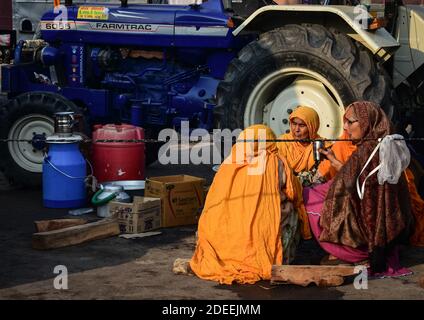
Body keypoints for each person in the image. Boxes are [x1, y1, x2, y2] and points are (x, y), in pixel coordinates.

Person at [189, 125, 311, 285]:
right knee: (293, 210)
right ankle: (280, 255)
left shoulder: (230, 160)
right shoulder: (275, 161)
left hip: (220, 231)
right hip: (260, 235)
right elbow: (294, 193)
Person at [303, 101, 414, 276]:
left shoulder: (366, 150)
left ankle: (355, 253)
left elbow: (350, 182)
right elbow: (357, 178)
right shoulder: (385, 145)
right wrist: (334, 161)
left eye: (350, 122)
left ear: (367, 121)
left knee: (311, 196)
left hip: (367, 228)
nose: (346, 128)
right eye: (345, 122)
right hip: (389, 229)